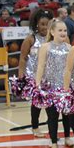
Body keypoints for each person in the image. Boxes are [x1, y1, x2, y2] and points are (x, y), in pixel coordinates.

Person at [34, 21, 72, 148]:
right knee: (53, 116)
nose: (63, 33)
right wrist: (38, 84)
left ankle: (68, 137)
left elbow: (71, 68)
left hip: (65, 86)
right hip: (50, 87)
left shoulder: (69, 47)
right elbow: (40, 66)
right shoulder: (45, 47)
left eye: (65, 30)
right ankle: (53, 141)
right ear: (52, 32)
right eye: (60, 30)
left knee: (67, 114)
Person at [18, 9, 53, 138]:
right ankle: (35, 127)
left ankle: (52, 130)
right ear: (36, 24)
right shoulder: (30, 39)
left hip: (50, 77)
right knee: (36, 104)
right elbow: (22, 57)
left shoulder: (53, 39)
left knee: (51, 106)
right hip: (34, 76)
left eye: (47, 24)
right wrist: (21, 75)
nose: (45, 27)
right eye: (42, 24)